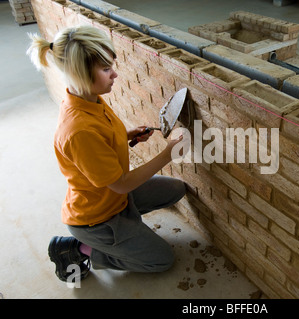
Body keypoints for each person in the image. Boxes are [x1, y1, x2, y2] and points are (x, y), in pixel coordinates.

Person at [27, 25, 186, 282]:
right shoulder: (78, 130)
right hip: (97, 219)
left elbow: (101, 141)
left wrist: (127, 135)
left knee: (176, 189)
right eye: (105, 69)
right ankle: (81, 249)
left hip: (113, 198)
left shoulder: (90, 99)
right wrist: (169, 154)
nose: (115, 75)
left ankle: (127, 231)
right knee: (162, 260)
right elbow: (121, 185)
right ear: (80, 74)